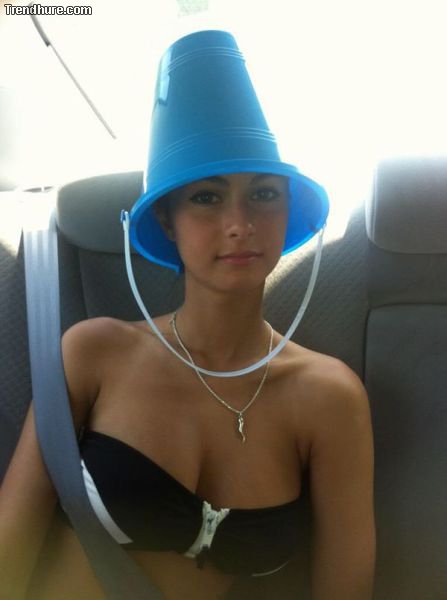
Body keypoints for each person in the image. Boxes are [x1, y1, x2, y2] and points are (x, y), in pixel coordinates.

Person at [0, 30, 375, 600]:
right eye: (206, 197)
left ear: (288, 210)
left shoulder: (330, 396)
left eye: (264, 194)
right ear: (166, 221)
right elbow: (11, 545)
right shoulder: (94, 353)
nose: (240, 224)